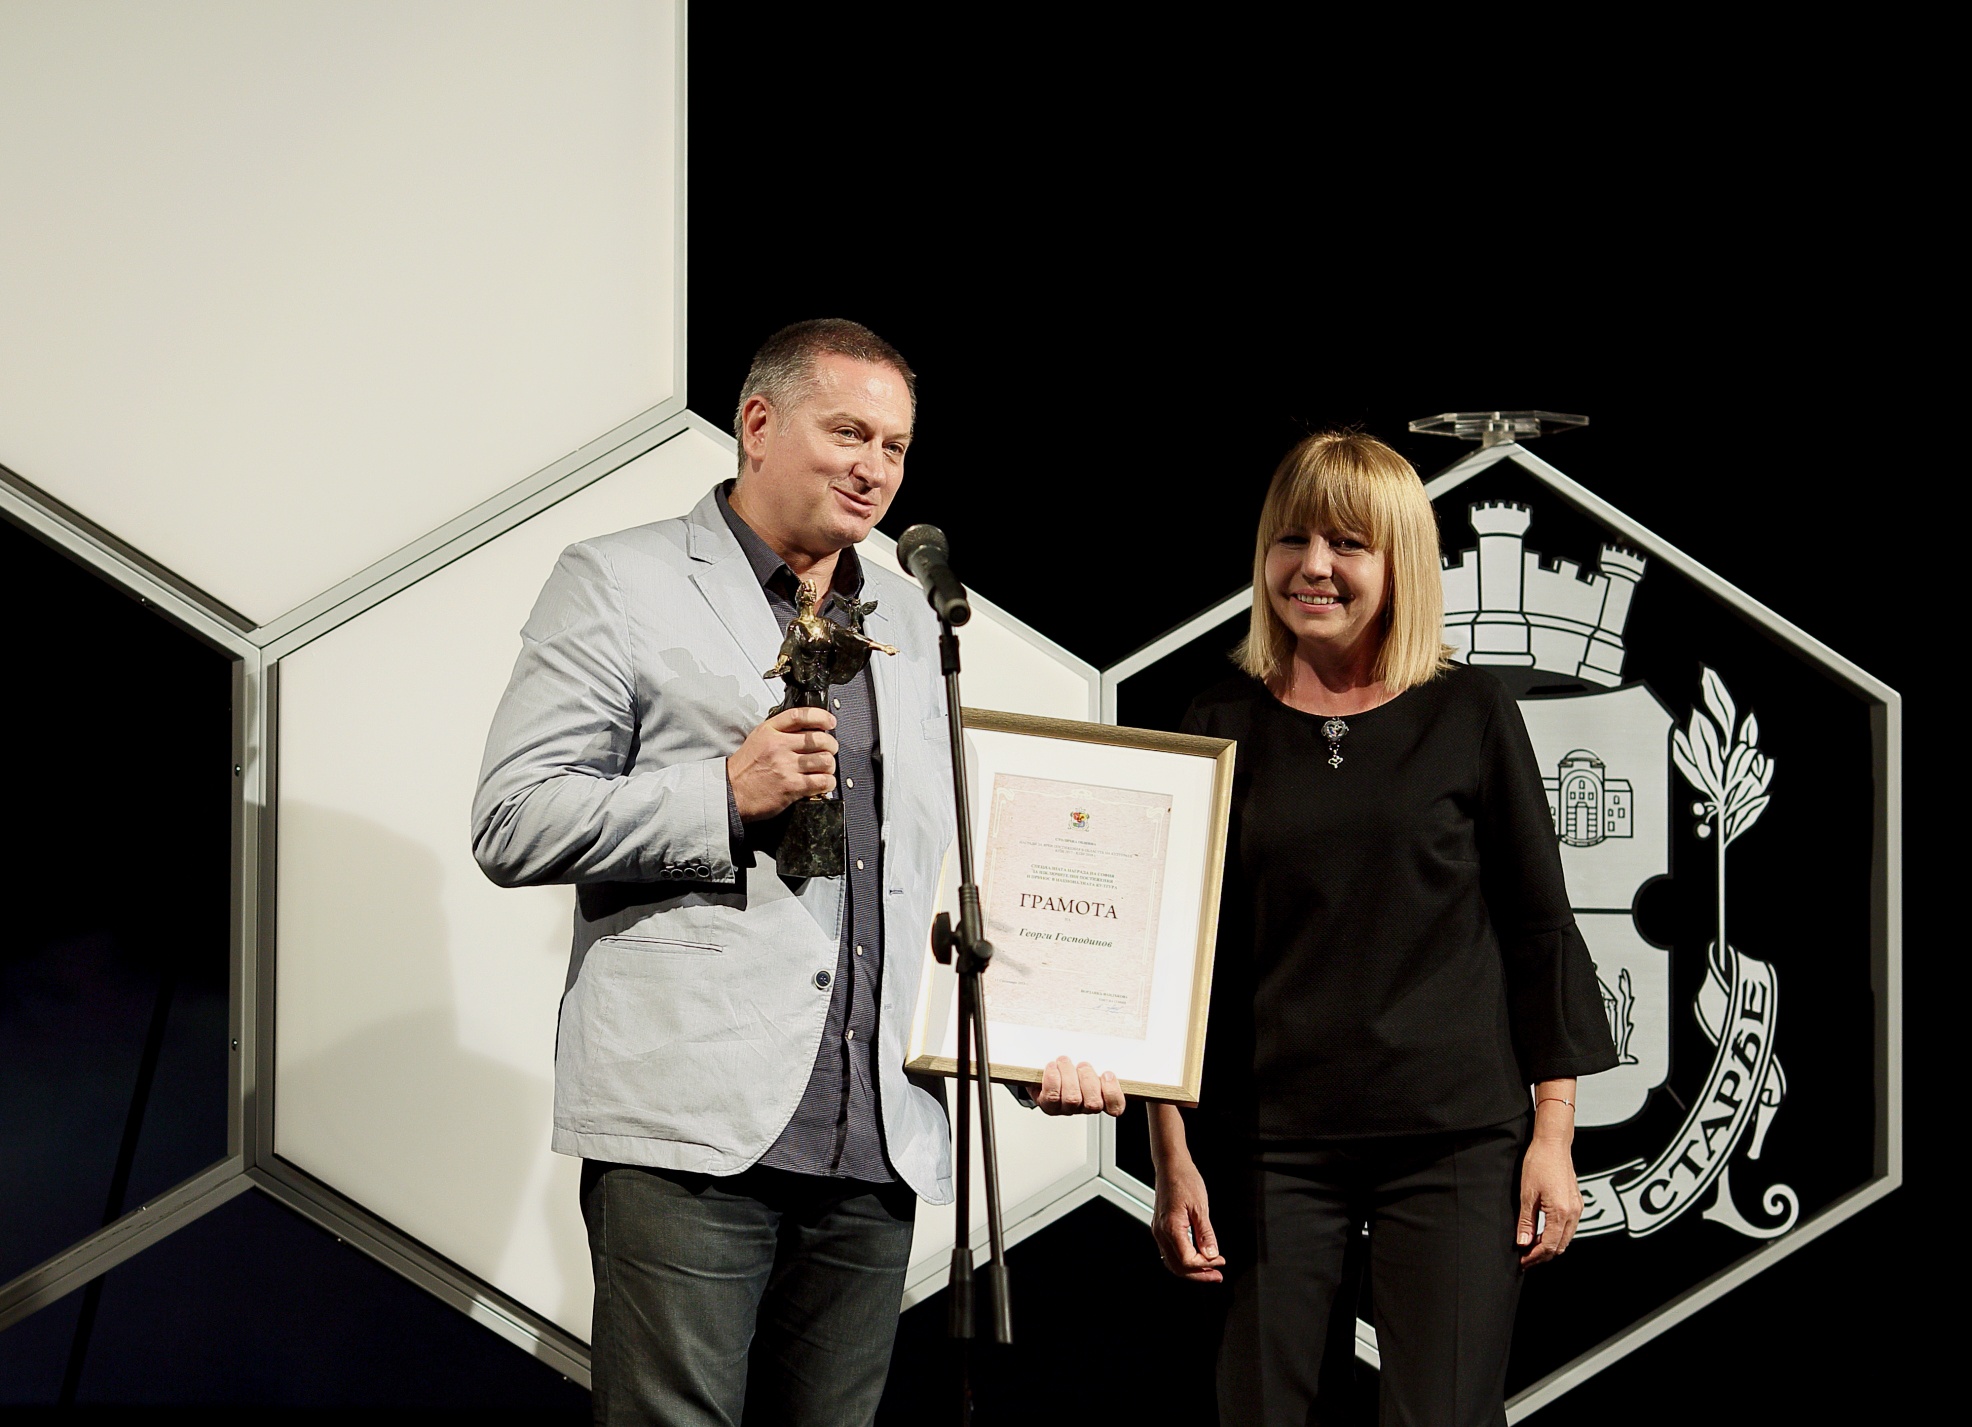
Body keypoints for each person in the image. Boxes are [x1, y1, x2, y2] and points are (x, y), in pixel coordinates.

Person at [471, 319, 1123, 1427]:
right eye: (849, 433)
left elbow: (933, 872)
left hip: (874, 1136)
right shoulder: (620, 580)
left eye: (896, 446)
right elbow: (513, 817)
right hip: (691, 1131)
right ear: (759, 424)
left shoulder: (910, 617)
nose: (875, 468)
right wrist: (723, 795)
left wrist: (1027, 1046)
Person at [1149, 431, 1618, 1426]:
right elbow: (1171, 959)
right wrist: (1170, 1151)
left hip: (1454, 1143)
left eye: (1347, 543)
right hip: (1267, 1146)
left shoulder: (1469, 709)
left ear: (1398, 561)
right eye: (1292, 539)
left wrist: (1552, 1133)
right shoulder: (1214, 719)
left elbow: (1538, 925)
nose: (1313, 566)